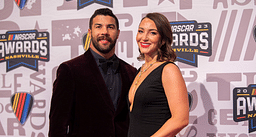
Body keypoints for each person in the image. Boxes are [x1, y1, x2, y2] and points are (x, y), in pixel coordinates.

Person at [48, 8, 137, 137]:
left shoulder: (131, 72)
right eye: (98, 27)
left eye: (110, 27)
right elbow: (58, 125)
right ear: (90, 32)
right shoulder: (70, 70)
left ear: (118, 33)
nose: (104, 32)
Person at [128, 13, 189, 137]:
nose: (144, 37)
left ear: (162, 40)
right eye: (141, 31)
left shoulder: (168, 70)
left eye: (152, 33)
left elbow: (181, 119)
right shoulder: (140, 70)